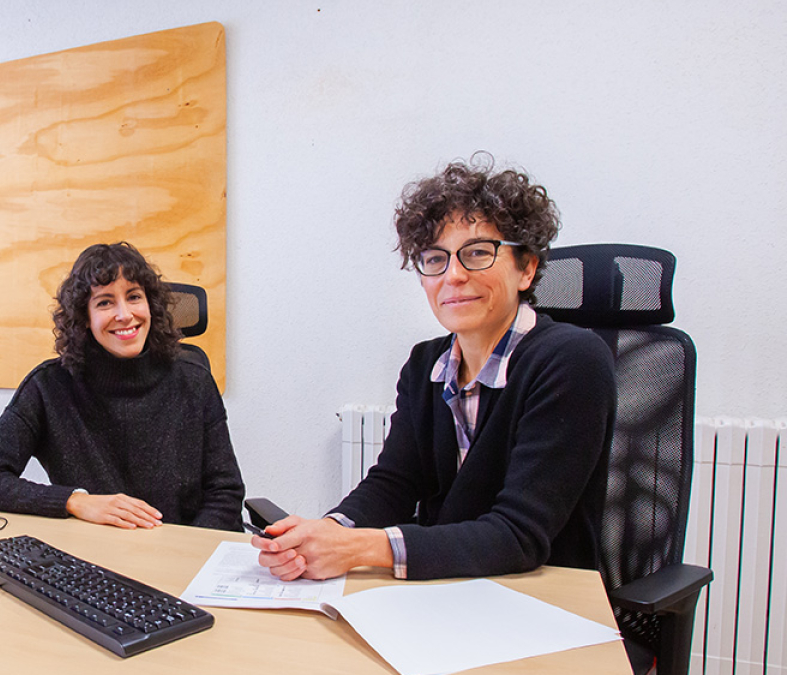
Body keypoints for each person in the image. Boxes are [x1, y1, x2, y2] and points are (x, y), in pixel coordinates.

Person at [254, 155, 616, 580]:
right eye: (434, 259)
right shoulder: (426, 365)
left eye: (478, 253)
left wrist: (360, 548)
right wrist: (328, 530)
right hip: (446, 592)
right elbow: (395, 483)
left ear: (527, 268)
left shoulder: (570, 360)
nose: (454, 275)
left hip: (540, 603)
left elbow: (519, 535)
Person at [0, 242, 244, 531]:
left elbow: (226, 493)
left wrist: (182, 551)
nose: (124, 315)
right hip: (98, 557)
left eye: (134, 297)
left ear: (151, 305)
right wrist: (74, 501)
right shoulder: (48, 386)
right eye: (105, 302)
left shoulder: (193, 380)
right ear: (84, 318)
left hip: (188, 552)